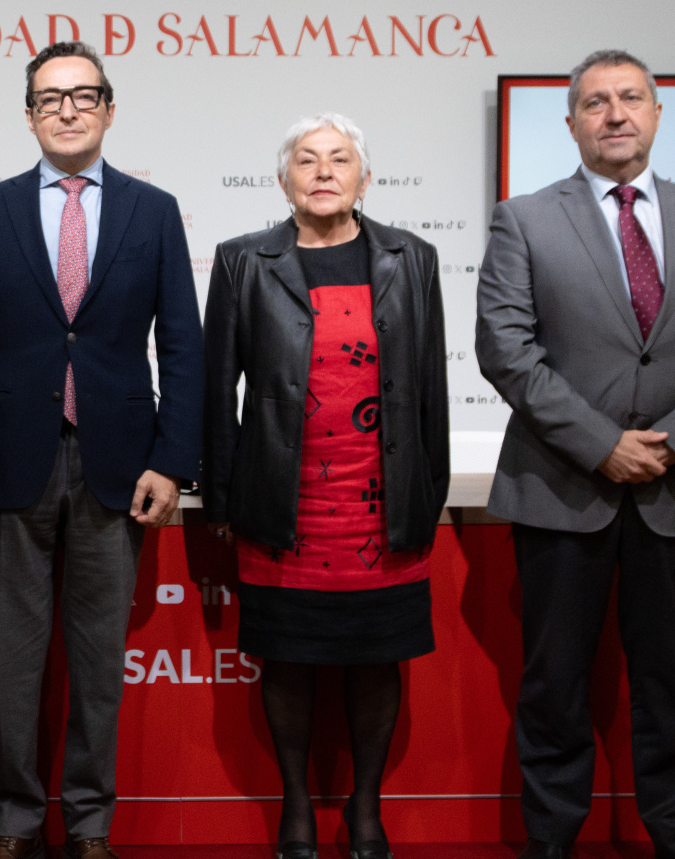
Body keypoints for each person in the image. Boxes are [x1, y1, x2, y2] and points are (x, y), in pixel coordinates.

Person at [475, 50, 675, 859]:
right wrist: (601, 445)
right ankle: (551, 843)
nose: (615, 114)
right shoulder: (523, 219)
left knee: (671, 685)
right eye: (596, 102)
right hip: (560, 489)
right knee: (554, 687)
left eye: (631, 98)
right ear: (572, 122)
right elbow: (506, 348)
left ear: (656, 113)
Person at [0, 40, 204, 859]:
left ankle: (90, 826)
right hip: (6, 466)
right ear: (29, 116)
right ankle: (14, 823)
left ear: (109, 110)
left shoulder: (154, 211)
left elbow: (182, 348)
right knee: (11, 662)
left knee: (98, 663)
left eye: (84, 95)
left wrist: (172, 460)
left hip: (118, 466)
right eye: (49, 98)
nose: (67, 110)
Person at [202, 114, 449, 859]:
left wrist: (428, 493)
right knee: (287, 661)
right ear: (283, 180)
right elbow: (218, 389)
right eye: (306, 161)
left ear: (364, 178)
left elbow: (431, 388)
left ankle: (366, 811)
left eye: (339, 160)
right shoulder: (243, 260)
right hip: (285, 504)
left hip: (382, 501)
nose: (323, 172)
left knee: (378, 661)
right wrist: (221, 500)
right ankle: (297, 808)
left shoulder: (412, 257)